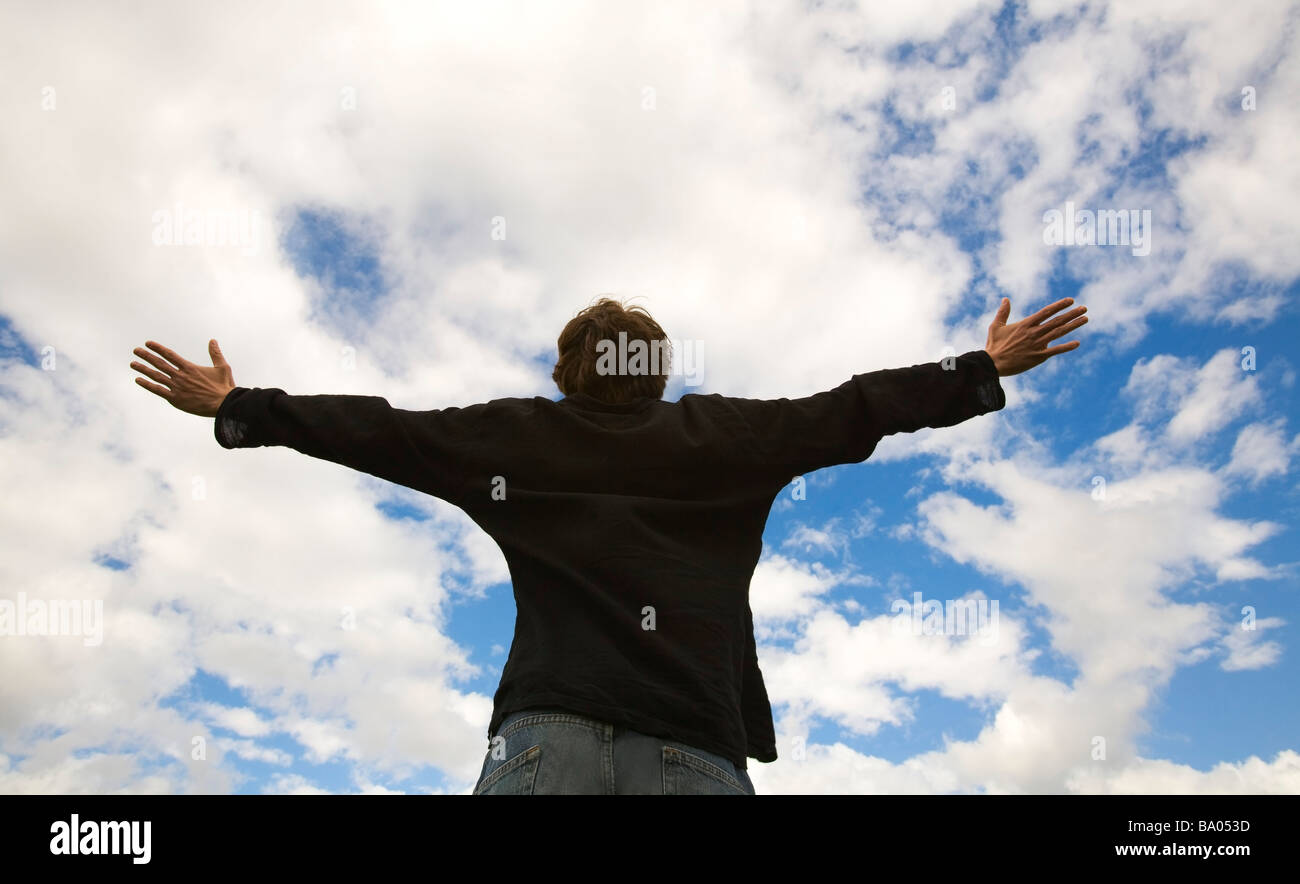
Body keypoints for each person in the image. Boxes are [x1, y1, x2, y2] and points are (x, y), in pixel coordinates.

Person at [131, 295, 1087, 794]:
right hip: (693, 748)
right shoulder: (726, 439)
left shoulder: (515, 440)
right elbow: (852, 411)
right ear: (657, 375)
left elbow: (383, 428)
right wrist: (975, 371)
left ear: (566, 373)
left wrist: (240, 407)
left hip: (542, 743)